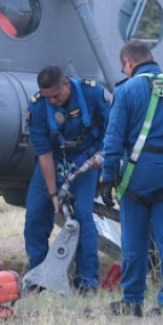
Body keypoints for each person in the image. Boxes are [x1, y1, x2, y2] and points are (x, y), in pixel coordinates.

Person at [98, 40, 163, 315]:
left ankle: (132, 301)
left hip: (137, 176)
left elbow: (113, 138)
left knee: (134, 242)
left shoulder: (126, 91)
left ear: (128, 63)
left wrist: (108, 177)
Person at [24, 65, 110, 295]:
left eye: (56, 96)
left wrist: (102, 154)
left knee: (83, 215)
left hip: (86, 160)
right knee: (35, 214)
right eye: (47, 97)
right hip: (53, 161)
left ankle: (86, 281)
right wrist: (53, 194)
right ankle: (39, 277)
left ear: (66, 84)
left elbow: (111, 128)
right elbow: (44, 154)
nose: (52, 101)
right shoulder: (38, 106)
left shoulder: (93, 94)